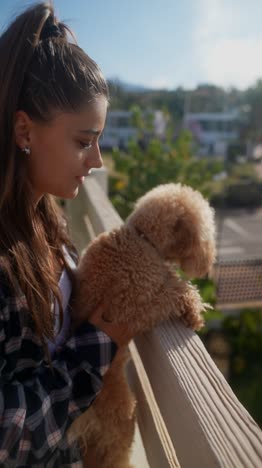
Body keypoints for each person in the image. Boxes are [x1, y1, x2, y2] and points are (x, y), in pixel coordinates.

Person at [0, 2, 132, 466]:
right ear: (23, 129)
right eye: (83, 141)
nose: (96, 161)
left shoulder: (44, 218)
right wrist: (100, 342)